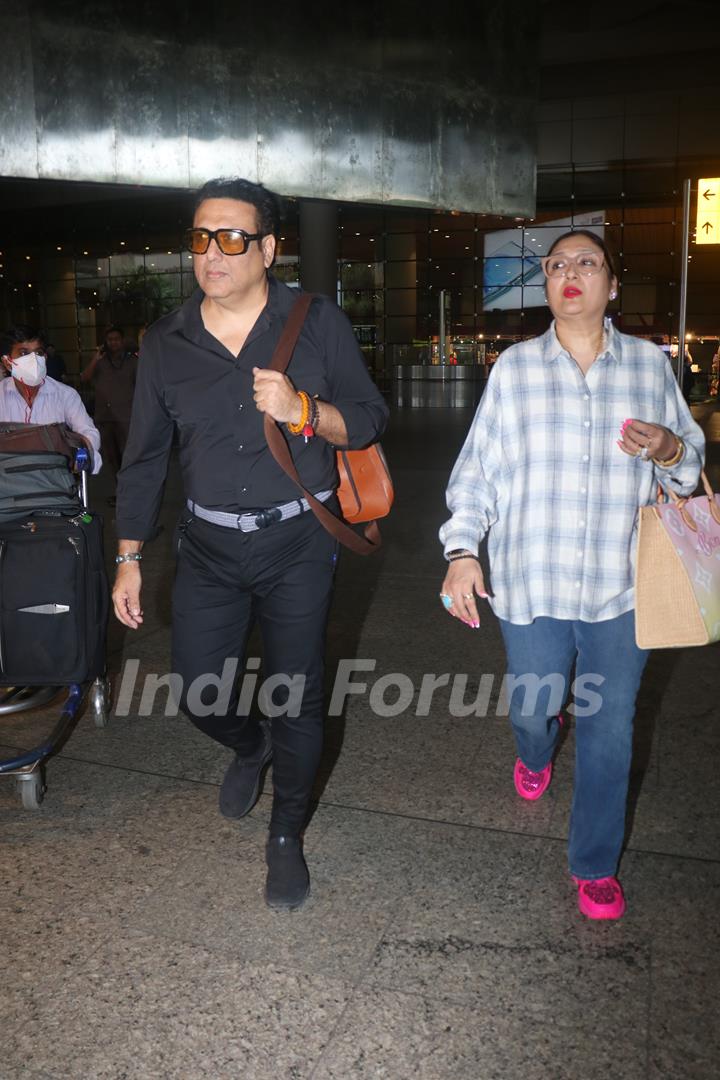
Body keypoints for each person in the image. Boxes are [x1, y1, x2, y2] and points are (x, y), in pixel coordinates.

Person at [112, 176, 388, 910]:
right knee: (199, 690)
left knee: (297, 695)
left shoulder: (316, 322)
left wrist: (303, 410)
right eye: (202, 237)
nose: (214, 251)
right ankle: (247, 744)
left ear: (268, 248)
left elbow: (367, 417)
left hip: (298, 540)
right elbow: (142, 458)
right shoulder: (166, 342)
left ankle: (286, 834)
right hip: (206, 543)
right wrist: (129, 557)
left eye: (233, 237)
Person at [438, 230, 704, 920]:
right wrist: (463, 548)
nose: (570, 274)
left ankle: (593, 864)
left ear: (612, 286)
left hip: (622, 590)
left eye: (587, 263)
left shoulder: (649, 366)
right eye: (557, 266)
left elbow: (688, 464)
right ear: (547, 286)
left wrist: (672, 447)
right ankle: (537, 747)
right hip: (533, 584)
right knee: (533, 707)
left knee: (612, 727)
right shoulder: (515, 371)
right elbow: (478, 471)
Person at [0, 324, 102, 472]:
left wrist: (81, 454)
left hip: (53, 481)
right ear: (7, 362)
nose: (33, 359)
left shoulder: (65, 395)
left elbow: (89, 432)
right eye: (24, 353)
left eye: (38, 353)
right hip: (10, 482)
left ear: (45, 357)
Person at [81, 325, 138, 504]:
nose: (113, 342)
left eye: (117, 339)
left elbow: (143, 385)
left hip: (126, 417)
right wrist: (95, 359)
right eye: (110, 339)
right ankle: (121, 493)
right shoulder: (101, 362)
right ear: (105, 342)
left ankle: (131, 493)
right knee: (112, 458)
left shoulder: (132, 361)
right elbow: (84, 378)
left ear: (122, 341)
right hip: (105, 418)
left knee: (128, 457)